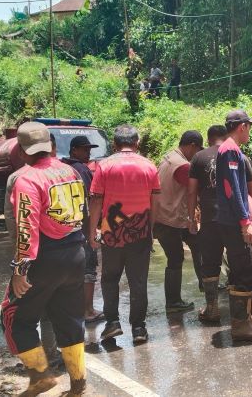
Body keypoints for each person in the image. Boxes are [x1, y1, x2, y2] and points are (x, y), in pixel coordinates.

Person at [0, 122, 87, 396]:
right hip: (76, 253)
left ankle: (40, 377)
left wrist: (19, 271)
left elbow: (26, 229)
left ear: (23, 150)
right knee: (71, 321)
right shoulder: (70, 171)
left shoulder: (26, 178)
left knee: (17, 319)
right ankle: (78, 383)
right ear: (50, 145)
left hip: (44, 259)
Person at [89, 125, 160, 344]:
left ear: (114, 143)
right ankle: (138, 329)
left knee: (110, 279)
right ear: (137, 142)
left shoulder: (104, 166)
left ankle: (112, 323)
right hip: (140, 234)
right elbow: (154, 201)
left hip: (112, 234)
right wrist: (151, 229)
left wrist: (93, 230)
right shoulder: (149, 166)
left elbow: (96, 200)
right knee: (138, 281)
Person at [188, 125, 252, 325]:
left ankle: (212, 308)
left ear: (208, 139)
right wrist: (248, 218)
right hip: (234, 221)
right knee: (243, 263)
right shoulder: (239, 155)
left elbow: (191, 191)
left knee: (210, 263)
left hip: (210, 220)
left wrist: (191, 217)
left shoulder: (198, 158)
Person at [216, 109, 252, 341]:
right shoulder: (229, 150)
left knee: (245, 268)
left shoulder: (233, 150)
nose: (249, 131)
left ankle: (246, 319)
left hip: (231, 220)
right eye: (249, 127)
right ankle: (240, 326)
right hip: (233, 221)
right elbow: (232, 190)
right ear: (242, 127)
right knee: (243, 271)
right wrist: (244, 221)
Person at [154, 131, 204, 312]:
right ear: (192, 145)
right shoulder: (182, 166)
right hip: (170, 219)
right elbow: (194, 191)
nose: (197, 155)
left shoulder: (170, 156)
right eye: (198, 150)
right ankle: (173, 302)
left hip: (165, 215)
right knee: (175, 259)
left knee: (198, 244)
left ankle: (206, 283)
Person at [62, 136, 104, 324]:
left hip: (64, 229)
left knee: (70, 272)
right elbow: (90, 202)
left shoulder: (62, 169)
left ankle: (72, 310)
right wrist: (92, 231)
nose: (88, 153)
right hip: (82, 228)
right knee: (88, 269)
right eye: (85, 150)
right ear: (74, 151)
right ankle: (87, 310)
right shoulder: (82, 170)